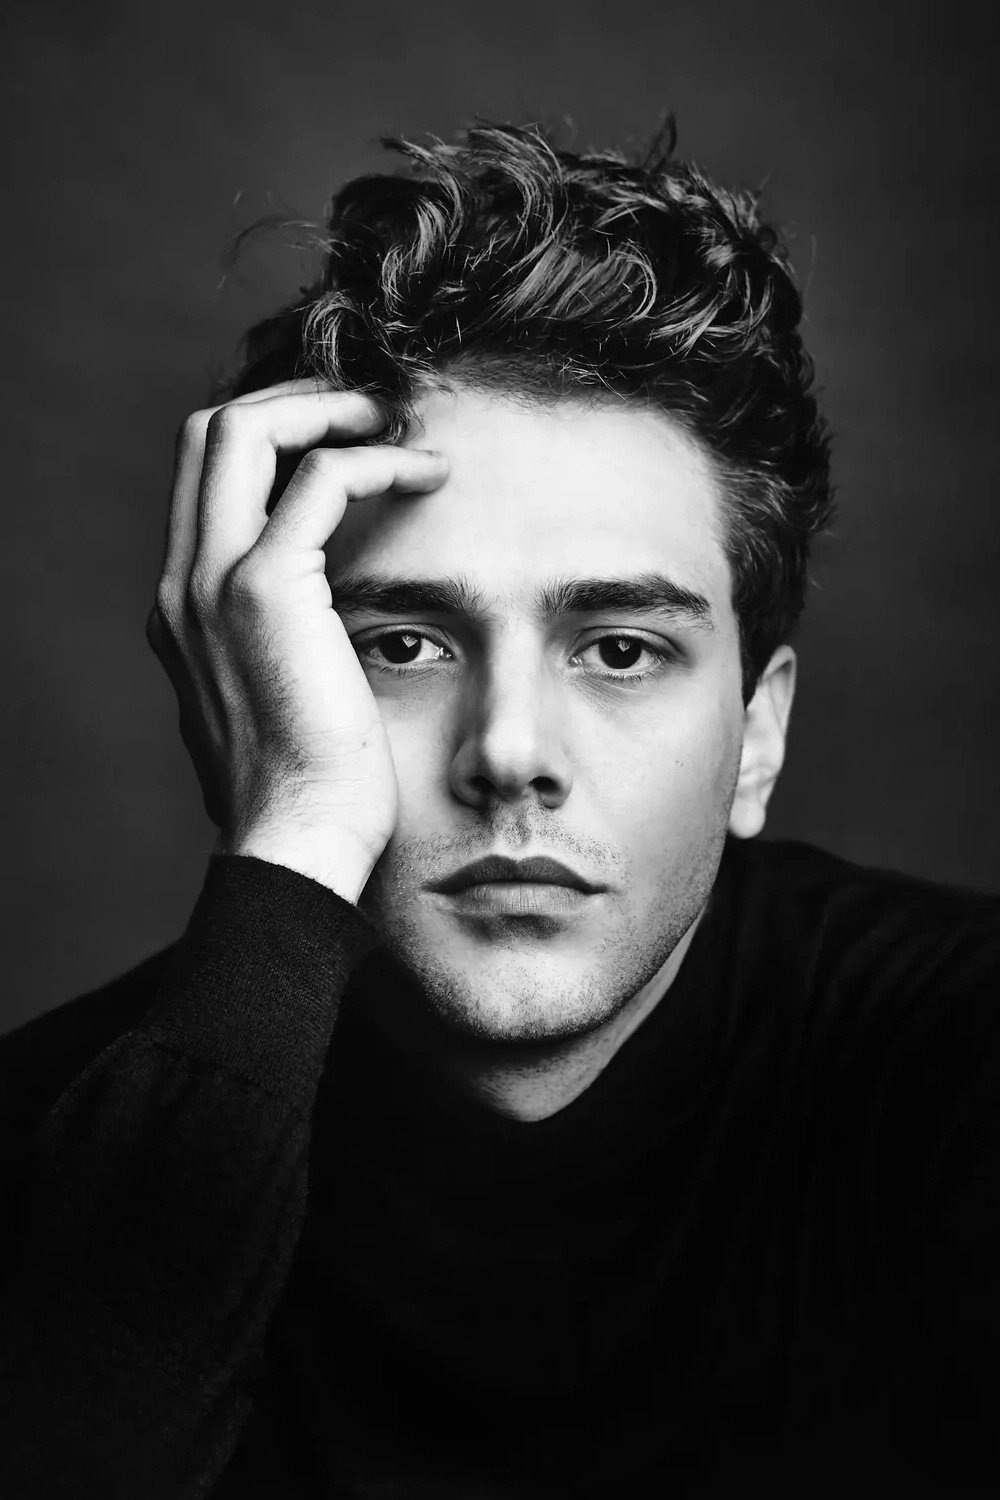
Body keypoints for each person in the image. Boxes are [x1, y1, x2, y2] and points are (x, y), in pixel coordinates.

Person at [1, 119, 997, 1499]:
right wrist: (289, 838)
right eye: (404, 644)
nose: (511, 752)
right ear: (257, 681)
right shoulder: (51, 1145)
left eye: (621, 649)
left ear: (757, 735)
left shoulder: (953, 1062)